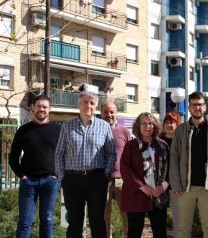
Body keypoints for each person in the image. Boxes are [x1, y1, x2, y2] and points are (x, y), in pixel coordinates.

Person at [55, 84, 116, 237]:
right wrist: (62, 178)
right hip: (72, 180)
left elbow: (111, 153)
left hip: (96, 179)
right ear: (79, 104)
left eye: (92, 102)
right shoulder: (67, 127)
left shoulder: (104, 126)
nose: (88, 105)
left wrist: (106, 174)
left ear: (95, 106)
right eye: (85, 102)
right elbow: (59, 154)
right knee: (75, 221)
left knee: (97, 221)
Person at [169, 91, 208, 238]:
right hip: (185, 189)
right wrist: (176, 185)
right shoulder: (180, 130)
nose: (197, 108)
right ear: (189, 107)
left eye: (200, 105)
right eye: (194, 105)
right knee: (183, 229)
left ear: (205, 107)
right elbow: (173, 159)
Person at [9, 95, 61, 238]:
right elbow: (13, 157)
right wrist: (22, 176)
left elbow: (65, 155)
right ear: (33, 107)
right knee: (25, 221)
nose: (41, 109)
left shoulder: (57, 130)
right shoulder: (23, 130)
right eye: (38, 106)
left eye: (44, 107)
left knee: (47, 220)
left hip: (50, 181)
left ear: (49, 109)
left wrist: (56, 174)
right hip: (29, 182)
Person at [120, 112, 169, 238]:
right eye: (144, 123)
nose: (148, 126)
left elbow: (170, 169)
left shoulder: (162, 146)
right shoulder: (131, 145)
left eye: (151, 123)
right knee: (134, 231)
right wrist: (142, 186)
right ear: (138, 126)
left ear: (155, 126)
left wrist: (162, 187)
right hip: (137, 194)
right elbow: (125, 169)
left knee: (160, 232)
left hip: (158, 194)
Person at [101, 101, 131, 238]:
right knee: (104, 217)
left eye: (111, 111)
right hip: (102, 181)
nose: (109, 115)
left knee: (127, 216)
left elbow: (132, 155)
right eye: (106, 112)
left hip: (121, 181)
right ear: (101, 113)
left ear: (116, 113)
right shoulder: (96, 130)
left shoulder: (124, 131)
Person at [159, 112, 180, 238]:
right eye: (166, 122)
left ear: (177, 124)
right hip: (160, 185)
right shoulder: (158, 141)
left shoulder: (181, 141)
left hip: (175, 184)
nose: (169, 125)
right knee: (160, 217)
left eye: (171, 122)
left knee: (178, 216)